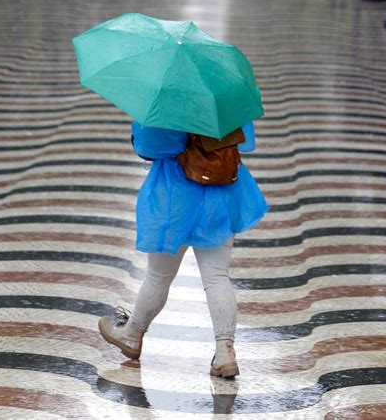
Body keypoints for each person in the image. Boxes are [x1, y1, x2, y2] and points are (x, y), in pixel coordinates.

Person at [98, 121, 269, 378]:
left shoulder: (167, 99)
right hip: (221, 193)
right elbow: (246, 141)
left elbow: (149, 146)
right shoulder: (225, 92)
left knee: (158, 276)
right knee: (217, 276)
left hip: (173, 197)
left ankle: (132, 334)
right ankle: (225, 352)